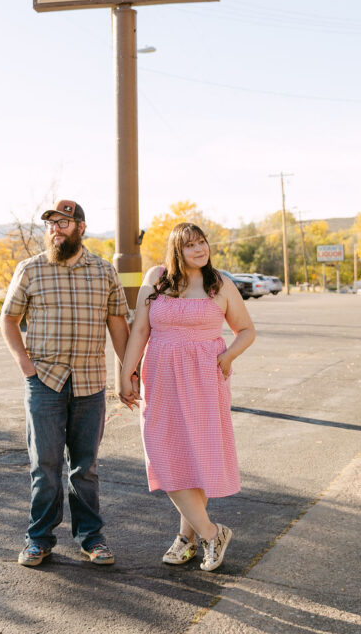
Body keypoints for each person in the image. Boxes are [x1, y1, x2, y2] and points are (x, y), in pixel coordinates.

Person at [0, 199, 130, 568]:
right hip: (45, 382)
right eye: (51, 224)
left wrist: (127, 372)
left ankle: (92, 538)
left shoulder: (104, 272)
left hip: (90, 382)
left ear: (81, 227)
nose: (56, 229)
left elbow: (118, 325)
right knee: (45, 464)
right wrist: (24, 363)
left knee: (85, 467)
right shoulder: (31, 269)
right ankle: (38, 539)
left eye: (63, 223)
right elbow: (8, 319)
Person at [119, 222, 256, 572]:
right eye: (191, 245)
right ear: (176, 251)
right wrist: (125, 373)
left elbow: (246, 331)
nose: (200, 250)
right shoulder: (156, 277)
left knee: (199, 455)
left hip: (204, 380)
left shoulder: (219, 283)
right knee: (164, 455)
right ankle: (212, 532)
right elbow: (140, 330)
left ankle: (189, 538)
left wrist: (227, 357)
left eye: (203, 243)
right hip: (161, 378)